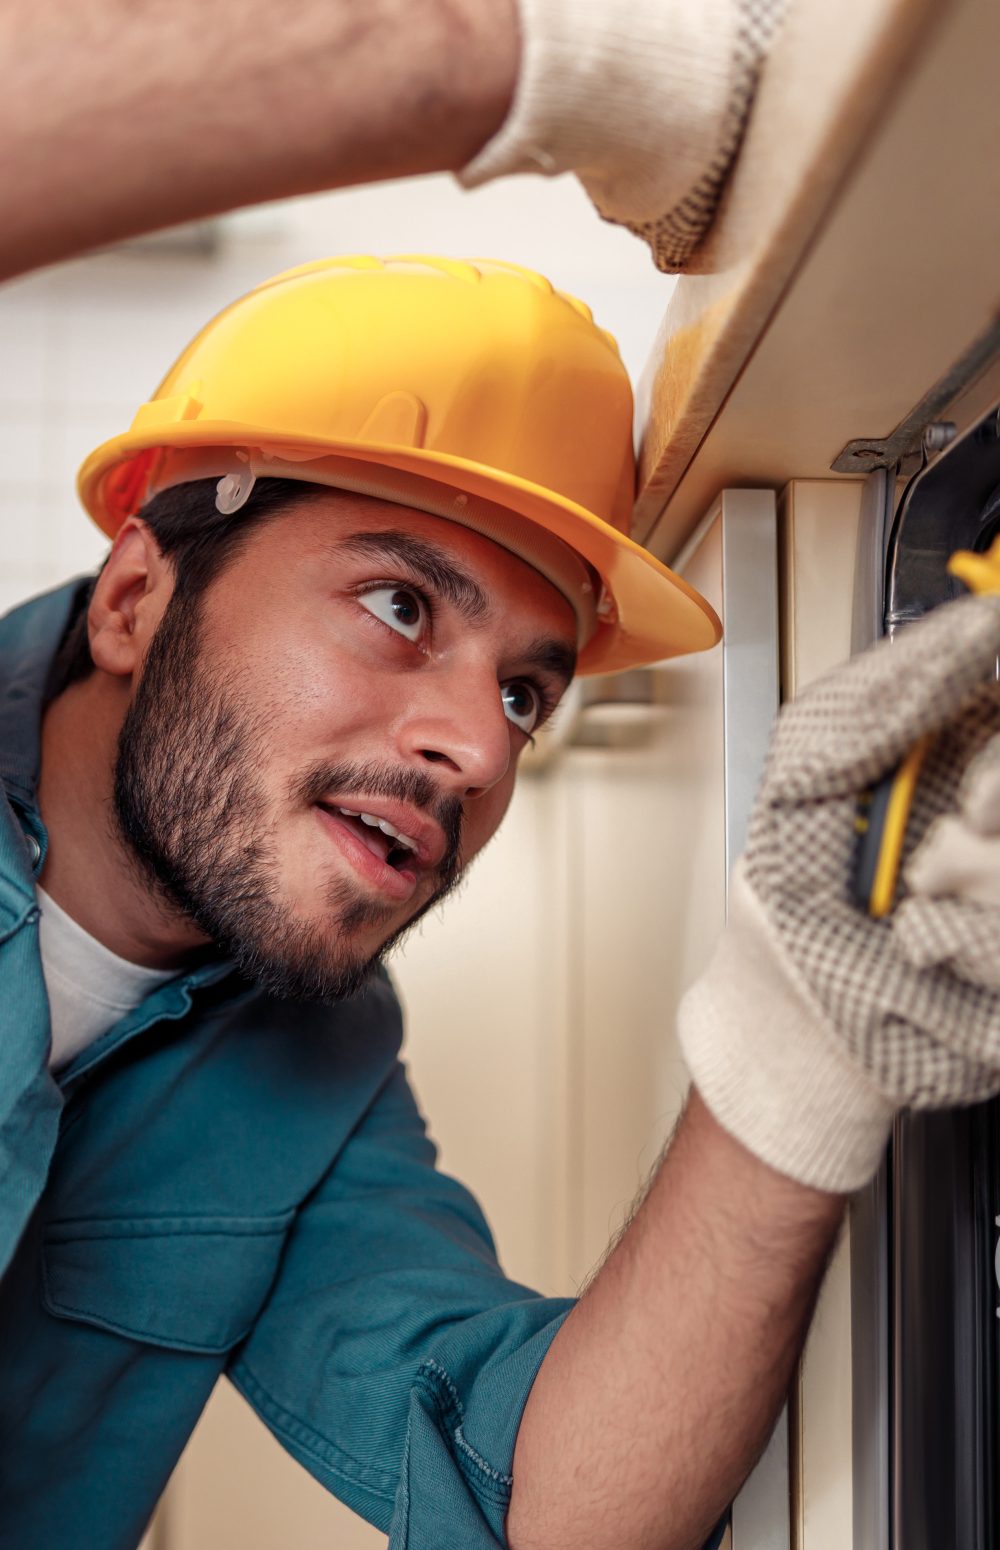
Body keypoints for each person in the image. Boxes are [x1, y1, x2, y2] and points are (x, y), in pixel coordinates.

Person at [4, 252, 1000, 1550]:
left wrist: (795, 1033)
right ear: (139, 596)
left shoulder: (315, 1053)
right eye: (397, 602)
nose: (480, 746)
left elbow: (560, 1504)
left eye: (526, 691)